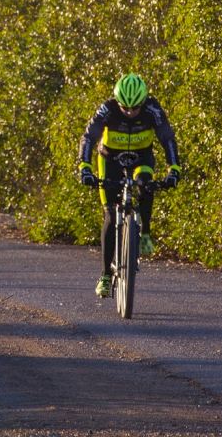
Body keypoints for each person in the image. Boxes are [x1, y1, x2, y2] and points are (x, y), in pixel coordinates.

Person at [77, 72, 181, 298]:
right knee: (110, 214)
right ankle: (106, 275)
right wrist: (84, 167)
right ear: (118, 102)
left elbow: (167, 138)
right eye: (125, 108)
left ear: (143, 102)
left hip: (141, 157)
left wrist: (174, 168)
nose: (130, 112)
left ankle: (145, 232)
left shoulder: (152, 109)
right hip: (110, 159)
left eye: (135, 108)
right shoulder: (107, 109)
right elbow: (89, 137)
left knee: (146, 184)